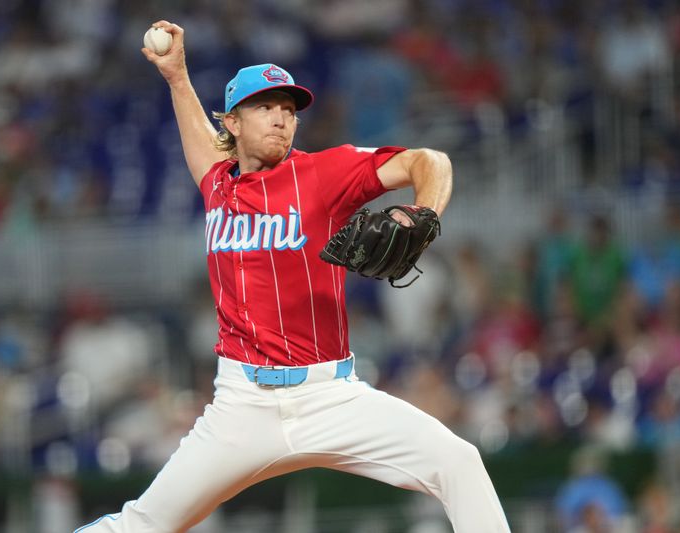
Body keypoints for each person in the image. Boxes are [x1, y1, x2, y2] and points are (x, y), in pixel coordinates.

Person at [74, 20, 510, 533]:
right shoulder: (217, 183)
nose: (281, 119)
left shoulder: (323, 173)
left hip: (332, 395)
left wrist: (425, 213)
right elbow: (199, 141)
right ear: (232, 124)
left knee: (459, 463)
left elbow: (428, 161)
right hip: (241, 406)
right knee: (138, 525)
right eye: (266, 107)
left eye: (288, 110)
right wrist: (177, 77)